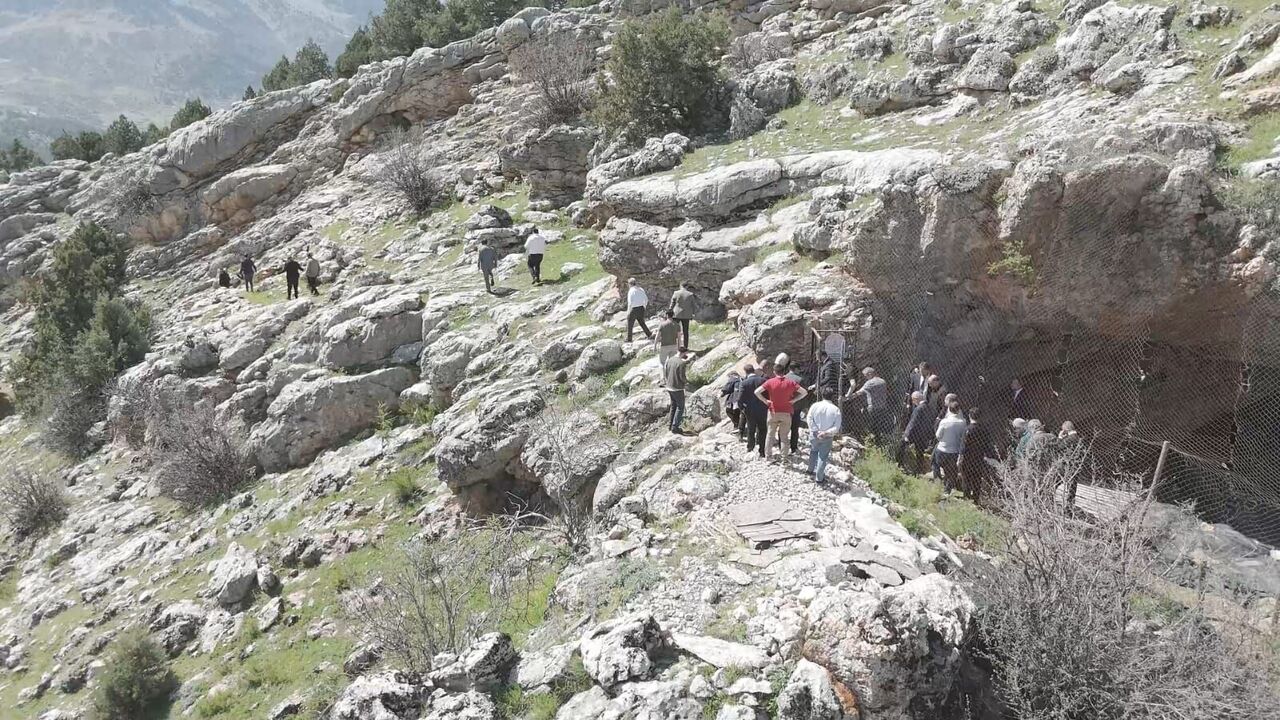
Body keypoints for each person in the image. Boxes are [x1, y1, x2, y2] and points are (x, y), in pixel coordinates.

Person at [756, 364, 808, 460]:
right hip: (786, 412)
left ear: (774, 372)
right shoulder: (790, 382)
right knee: (784, 436)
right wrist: (794, 400)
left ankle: (768, 456)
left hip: (773, 411)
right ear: (784, 372)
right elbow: (804, 392)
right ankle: (784, 457)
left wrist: (765, 401)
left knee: (770, 435)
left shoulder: (770, 382)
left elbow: (757, 392)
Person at [959, 407, 998, 500]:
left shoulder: (967, 429)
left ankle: (967, 497)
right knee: (977, 478)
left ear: (969, 416)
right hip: (979, 458)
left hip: (968, 459)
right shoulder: (984, 430)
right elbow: (987, 445)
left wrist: (960, 458)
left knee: (966, 478)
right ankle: (976, 498)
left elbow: (963, 446)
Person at [848, 367, 892, 443]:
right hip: (882, 407)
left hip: (873, 408)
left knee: (870, 424)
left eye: (865, 375)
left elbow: (859, 393)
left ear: (870, 374)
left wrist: (848, 397)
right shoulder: (883, 381)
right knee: (879, 425)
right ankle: (878, 441)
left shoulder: (870, 383)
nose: (865, 378)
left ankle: (869, 440)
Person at [807, 389, 842, 483]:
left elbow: (809, 418)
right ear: (833, 396)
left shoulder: (815, 405)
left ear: (822, 395)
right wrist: (825, 432)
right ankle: (819, 478)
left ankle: (810, 470)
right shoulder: (835, 409)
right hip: (827, 436)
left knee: (813, 451)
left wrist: (815, 430)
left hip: (815, 434)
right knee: (823, 456)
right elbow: (836, 426)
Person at [933, 401, 967, 492]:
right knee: (952, 473)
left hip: (942, 450)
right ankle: (947, 490)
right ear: (959, 410)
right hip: (954, 452)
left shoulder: (944, 421)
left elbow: (938, 435)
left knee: (935, 463)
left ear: (948, 409)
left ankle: (937, 481)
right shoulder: (963, 422)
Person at [898, 391, 933, 473]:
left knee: (902, 445)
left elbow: (913, 423)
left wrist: (906, 435)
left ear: (916, 399)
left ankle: (899, 464)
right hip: (923, 435)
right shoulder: (928, 407)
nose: (913, 403)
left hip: (915, 434)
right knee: (919, 453)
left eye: (913, 400)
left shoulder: (918, 409)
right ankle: (919, 470)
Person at [739, 363, 769, 456]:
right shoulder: (763, 380)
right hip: (762, 409)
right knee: (763, 429)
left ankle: (750, 447)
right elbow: (768, 394)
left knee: (751, 429)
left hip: (749, 410)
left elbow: (740, 398)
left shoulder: (744, 383)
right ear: (754, 370)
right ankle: (762, 450)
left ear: (746, 372)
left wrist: (743, 409)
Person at [663, 346, 689, 434]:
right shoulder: (681, 363)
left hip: (669, 386)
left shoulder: (670, 360)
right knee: (680, 407)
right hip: (677, 388)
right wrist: (686, 383)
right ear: (684, 353)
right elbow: (682, 377)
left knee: (673, 406)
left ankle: (670, 425)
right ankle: (675, 426)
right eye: (686, 354)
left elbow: (666, 372)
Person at [786, 363, 811, 454]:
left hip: (784, 407)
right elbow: (803, 394)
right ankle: (793, 447)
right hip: (796, 407)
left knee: (783, 427)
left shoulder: (784, 378)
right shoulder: (800, 379)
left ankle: (782, 446)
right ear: (796, 369)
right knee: (794, 428)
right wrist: (805, 407)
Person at [668, 281, 697, 348]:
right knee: (685, 331)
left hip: (677, 314)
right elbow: (693, 305)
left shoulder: (676, 293)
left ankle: (674, 346)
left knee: (675, 330)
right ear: (687, 287)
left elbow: (672, 303)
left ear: (680, 286)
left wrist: (669, 311)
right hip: (686, 315)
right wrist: (693, 313)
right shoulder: (690, 294)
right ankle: (685, 347)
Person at [625, 278, 654, 342]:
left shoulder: (631, 291)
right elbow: (646, 299)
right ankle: (649, 334)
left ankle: (629, 339)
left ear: (630, 284)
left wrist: (628, 311)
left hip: (634, 309)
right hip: (641, 308)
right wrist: (644, 307)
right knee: (642, 322)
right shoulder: (641, 289)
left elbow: (630, 302)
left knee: (630, 324)